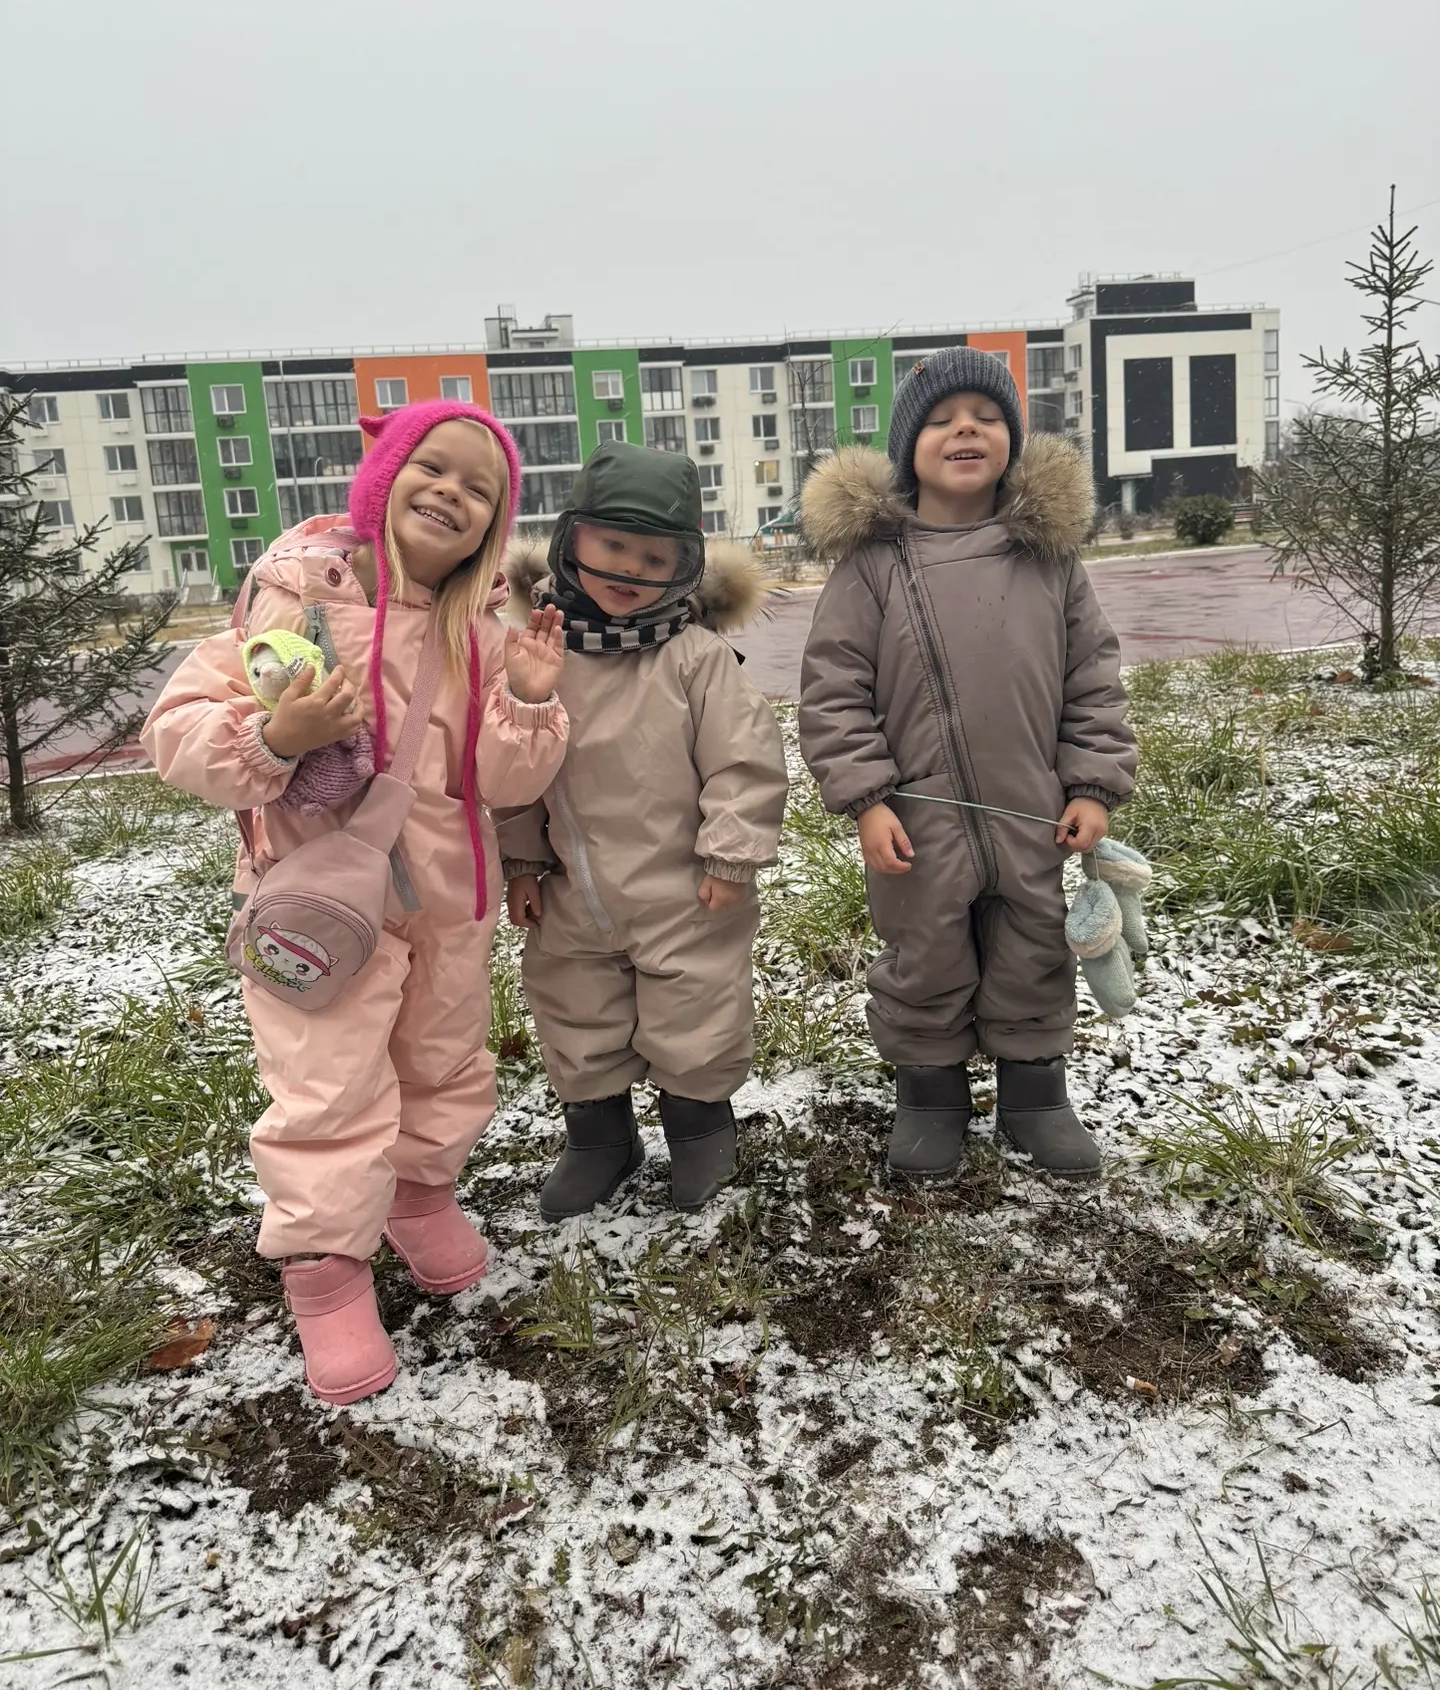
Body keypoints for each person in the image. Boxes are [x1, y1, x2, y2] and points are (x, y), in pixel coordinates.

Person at [141, 403, 568, 1405]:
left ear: (493, 527)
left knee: (444, 1056)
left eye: (480, 490)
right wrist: (276, 738)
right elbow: (177, 729)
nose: (451, 494)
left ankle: (419, 1196)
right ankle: (326, 1273)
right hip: (322, 903)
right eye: (432, 467)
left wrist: (531, 698)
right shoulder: (295, 602)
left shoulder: (480, 632)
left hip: (448, 898)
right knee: (327, 1084)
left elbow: (503, 780)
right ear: (382, 477)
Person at [798, 347, 1137, 1180]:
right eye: (943, 420)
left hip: (1032, 809)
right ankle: (931, 1097)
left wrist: (1092, 783)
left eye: (986, 417)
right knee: (925, 952)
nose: (966, 431)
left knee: (1034, 948)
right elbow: (833, 689)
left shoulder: (1047, 560)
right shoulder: (873, 564)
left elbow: (1092, 677)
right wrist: (868, 798)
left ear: (1011, 440)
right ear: (908, 447)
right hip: (917, 821)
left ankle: (1036, 1096)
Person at [496, 442, 789, 1218]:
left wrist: (731, 856)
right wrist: (521, 862)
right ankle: (599, 1139)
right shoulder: (540, 654)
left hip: (682, 890)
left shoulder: (696, 659)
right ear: (571, 542)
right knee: (575, 1010)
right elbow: (516, 767)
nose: (629, 569)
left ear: (684, 566)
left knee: (694, 1010)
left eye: (654, 557)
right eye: (613, 546)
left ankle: (700, 1132)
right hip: (572, 892)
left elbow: (744, 761)